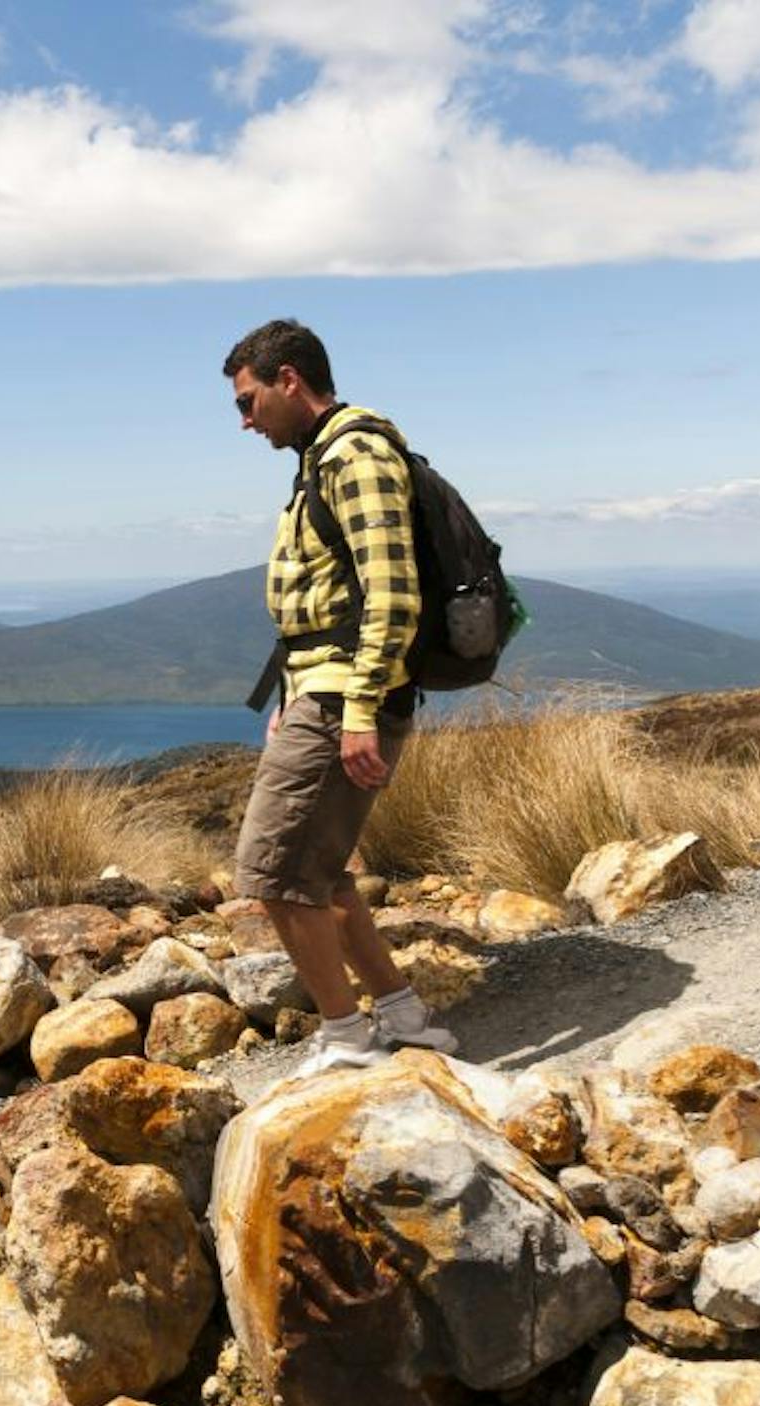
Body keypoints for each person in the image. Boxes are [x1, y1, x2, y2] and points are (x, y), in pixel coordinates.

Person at [222, 319, 459, 1077]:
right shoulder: (322, 458)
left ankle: (347, 1040)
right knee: (318, 870)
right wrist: (295, 694)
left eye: (249, 400)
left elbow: (392, 594)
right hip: (322, 692)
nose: (245, 420)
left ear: (289, 380)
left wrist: (355, 710)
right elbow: (335, 602)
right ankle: (403, 1016)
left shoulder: (354, 456)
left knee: (274, 873)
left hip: (346, 699)